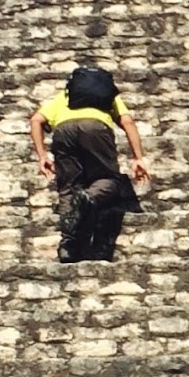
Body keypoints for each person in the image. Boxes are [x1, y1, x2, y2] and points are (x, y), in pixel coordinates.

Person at [30, 65, 149, 263]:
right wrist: (138, 158)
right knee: (108, 178)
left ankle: (68, 246)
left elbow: (36, 120)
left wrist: (42, 156)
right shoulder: (108, 95)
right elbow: (127, 122)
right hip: (95, 127)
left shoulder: (65, 96)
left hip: (63, 131)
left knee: (68, 187)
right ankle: (89, 197)